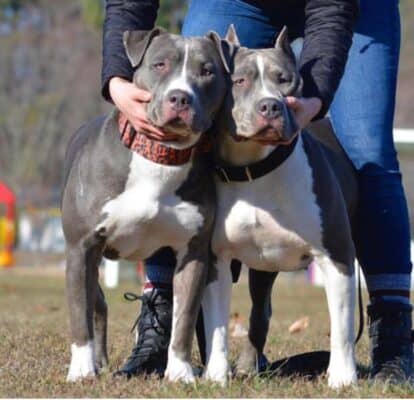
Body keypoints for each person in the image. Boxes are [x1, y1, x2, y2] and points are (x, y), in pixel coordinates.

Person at [101, 0, 413, 382]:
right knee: (186, 118)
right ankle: (163, 320)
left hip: (353, 8)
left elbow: (332, 9)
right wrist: (117, 77)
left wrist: (313, 98)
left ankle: (394, 330)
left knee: (368, 151)